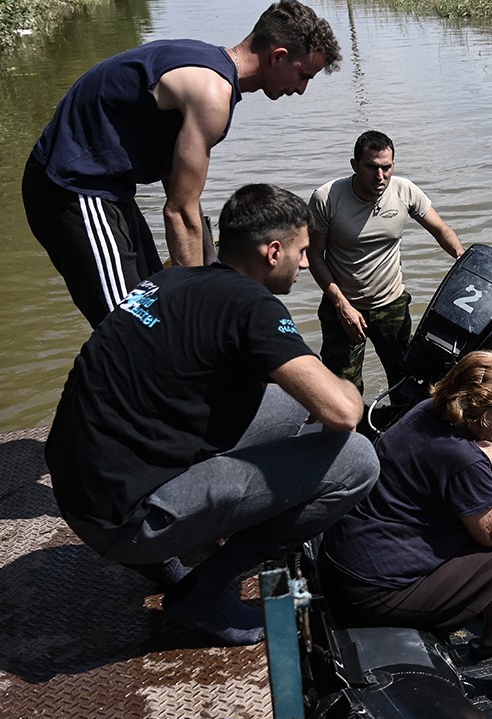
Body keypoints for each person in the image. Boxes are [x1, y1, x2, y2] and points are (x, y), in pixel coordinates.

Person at [44, 184, 378, 646]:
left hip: (80, 495)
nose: (306, 264)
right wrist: (345, 382)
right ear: (273, 251)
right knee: (357, 458)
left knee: (286, 403)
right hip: (126, 523)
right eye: (302, 252)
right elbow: (341, 411)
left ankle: (170, 559)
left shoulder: (173, 279)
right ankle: (204, 591)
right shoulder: (254, 306)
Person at [22, 0, 342, 328]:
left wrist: (211, 266)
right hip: (70, 187)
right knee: (132, 324)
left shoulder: (208, 68)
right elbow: (178, 211)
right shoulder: (212, 92)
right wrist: (199, 308)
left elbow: (183, 190)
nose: (302, 89)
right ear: (278, 56)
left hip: (108, 191)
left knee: (154, 295)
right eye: (303, 76)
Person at [318, 351, 492, 699]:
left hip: (343, 565)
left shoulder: (427, 414)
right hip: (377, 592)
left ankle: (490, 639)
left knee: (482, 538)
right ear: (474, 413)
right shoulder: (460, 460)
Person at [308, 130, 465, 394]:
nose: (380, 176)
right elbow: (313, 256)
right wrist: (341, 305)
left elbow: (441, 230)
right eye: (371, 167)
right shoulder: (327, 198)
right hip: (343, 308)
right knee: (342, 389)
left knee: (405, 383)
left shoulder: (404, 190)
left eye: (386, 167)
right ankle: (349, 434)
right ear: (354, 165)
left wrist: (463, 259)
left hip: (391, 306)